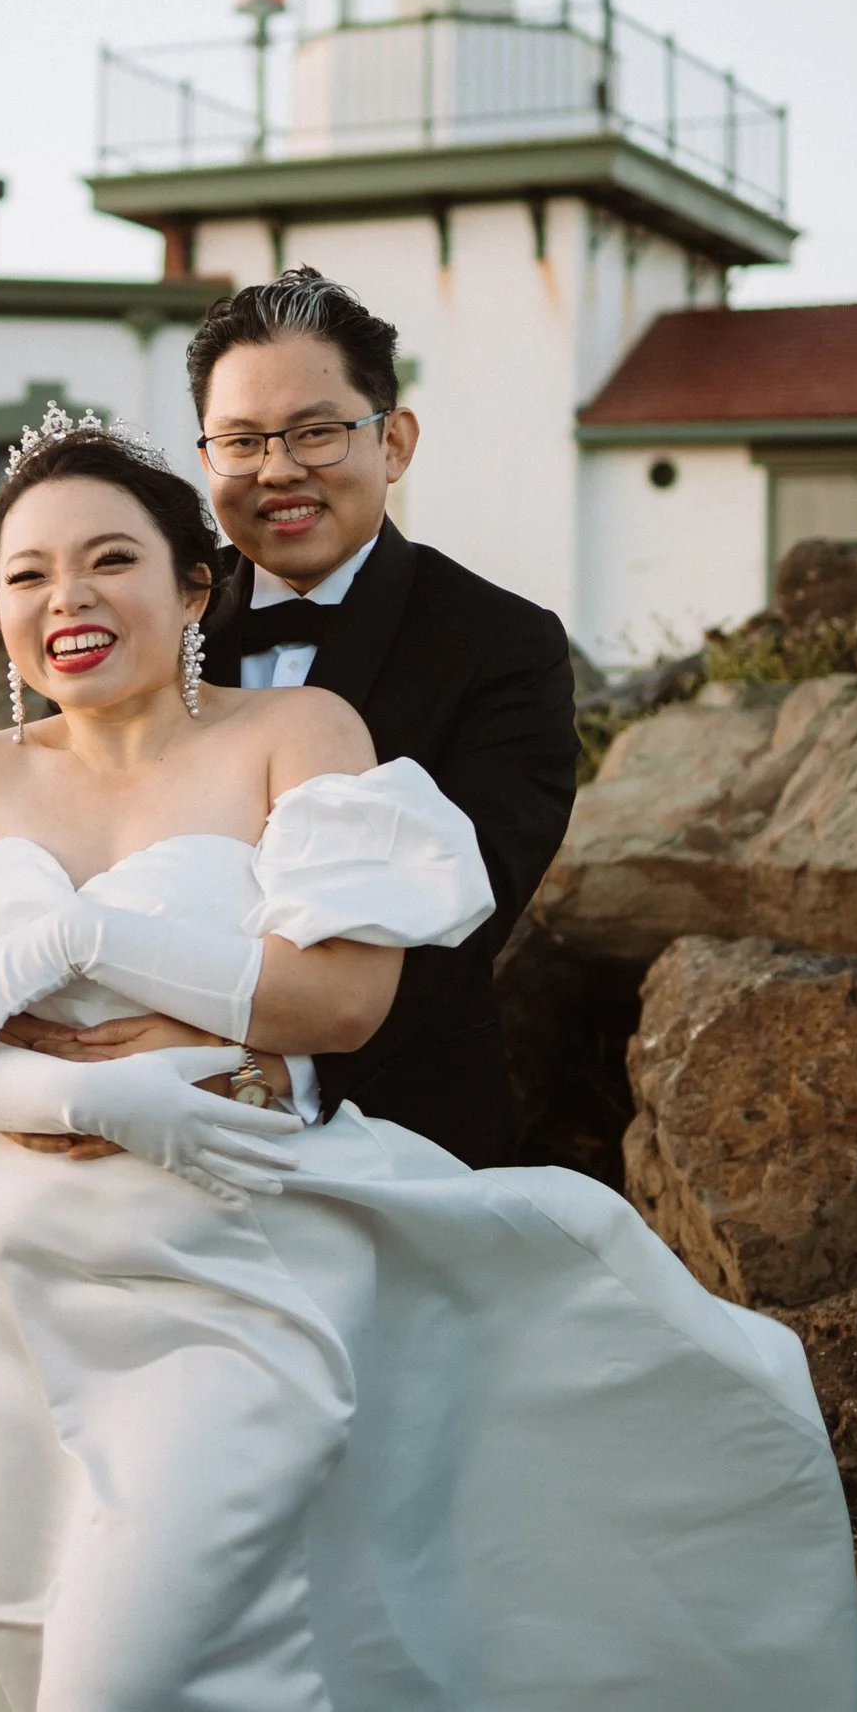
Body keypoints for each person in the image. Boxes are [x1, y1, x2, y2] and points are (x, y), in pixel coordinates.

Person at [0, 414, 857, 1712]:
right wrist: (95, 1096)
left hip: (233, 1265)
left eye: (109, 559)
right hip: (16, 1298)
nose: (65, 598)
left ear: (195, 584)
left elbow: (345, 997)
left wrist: (80, 945)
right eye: (26, 574)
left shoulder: (297, 731)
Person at [190, 267, 577, 1166]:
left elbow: (455, 923)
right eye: (241, 441)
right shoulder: (151, 617)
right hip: (132, 1112)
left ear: (394, 442)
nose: (278, 470)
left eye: (316, 433)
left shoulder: (505, 647)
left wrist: (238, 1066)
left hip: (399, 1125)